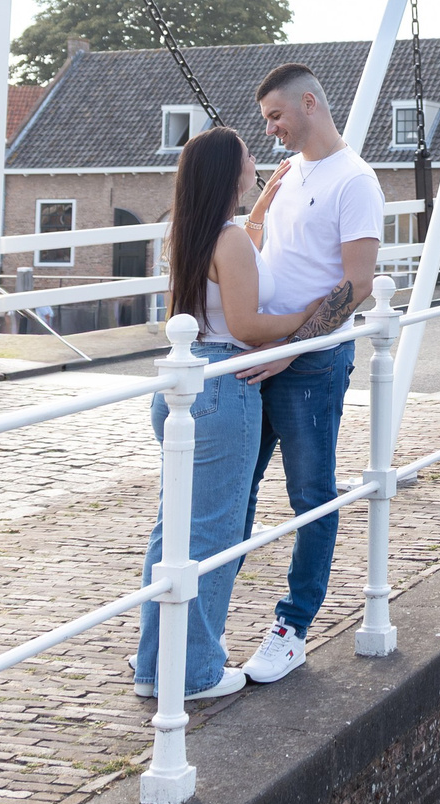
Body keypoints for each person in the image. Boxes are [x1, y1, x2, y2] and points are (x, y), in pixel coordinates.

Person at [131, 125, 329, 703]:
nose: (256, 162)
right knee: (214, 535)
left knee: (173, 533)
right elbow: (245, 326)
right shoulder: (231, 241)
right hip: (225, 385)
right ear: (230, 172)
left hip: (178, 386)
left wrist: (264, 202)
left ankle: (157, 668)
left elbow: (245, 244)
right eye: (248, 157)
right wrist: (309, 321)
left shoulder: (189, 233)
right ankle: (194, 674)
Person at [233, 63, 378, 685]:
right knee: (234, 490)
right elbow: (256, 238)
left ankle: (292, 628)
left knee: (311, 495)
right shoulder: (291, 172)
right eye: (266, 120)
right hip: (258, 351)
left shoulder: (356, 181)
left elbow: (359, 285)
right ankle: (201, 622)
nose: (271, 132)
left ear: (310, 103)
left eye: (276, 117)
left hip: (311, 364)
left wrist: (292, 349)